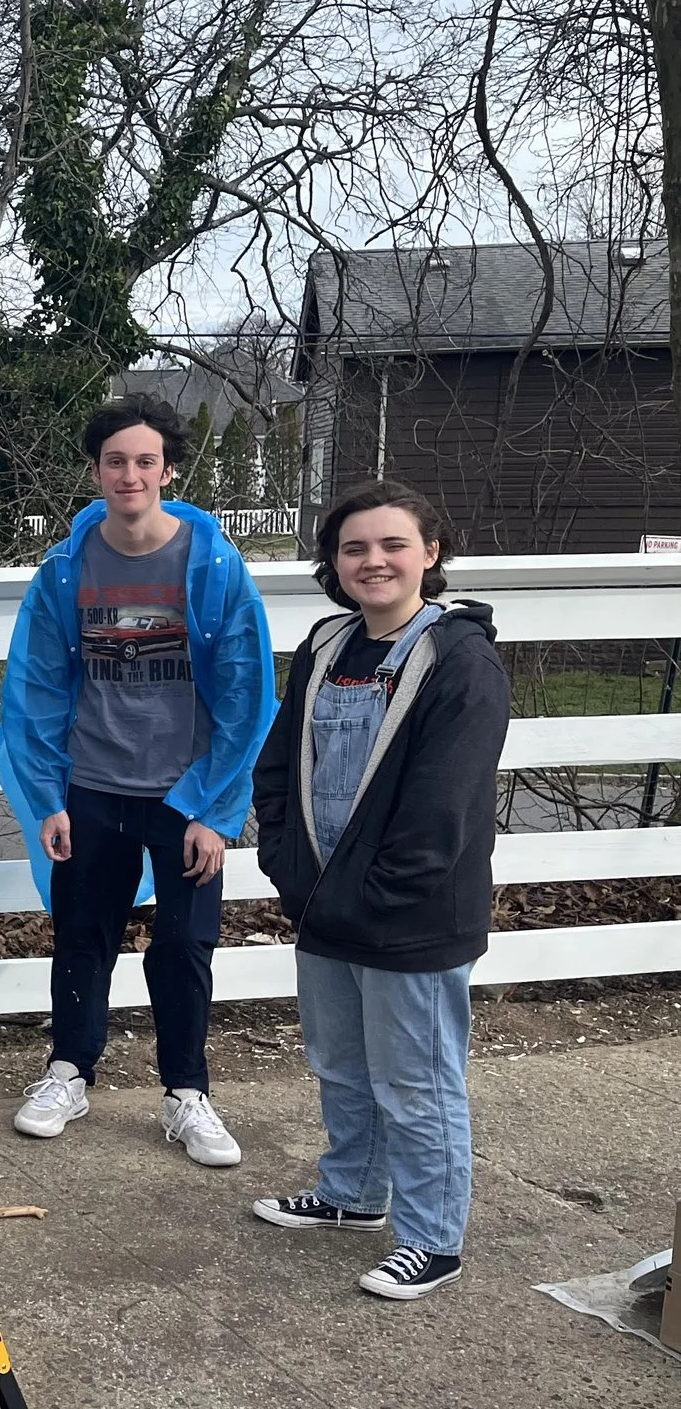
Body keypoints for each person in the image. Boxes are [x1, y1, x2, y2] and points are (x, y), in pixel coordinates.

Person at [0, 395, 274, 1167]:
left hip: (185, 793)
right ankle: (68, 1071)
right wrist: (48, 797)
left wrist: (215, 809)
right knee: (82, 935)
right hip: (92, 783)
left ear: (169, 470)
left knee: (184, 943)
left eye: (146, 460)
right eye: (116, 461)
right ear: (96, 471)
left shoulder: (213, 566)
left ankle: (186, 1092)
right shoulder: (65, 569)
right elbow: (34, 688)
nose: (131, 474)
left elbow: (248, 696)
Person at [250, 483, 508, 1302]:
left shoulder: (458, 659)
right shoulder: (327, 646)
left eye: (394, 544)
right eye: (354, 547)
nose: (374, 561)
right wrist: (289, 865)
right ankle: (354, 1193)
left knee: (417, 1081)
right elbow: (280, 764)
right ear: (333, 561)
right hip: (324, 905)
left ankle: (433, 1238)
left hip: (412, 918)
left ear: (430, 552)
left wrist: (377, 897)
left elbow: (443, 805)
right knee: (342, 1064)